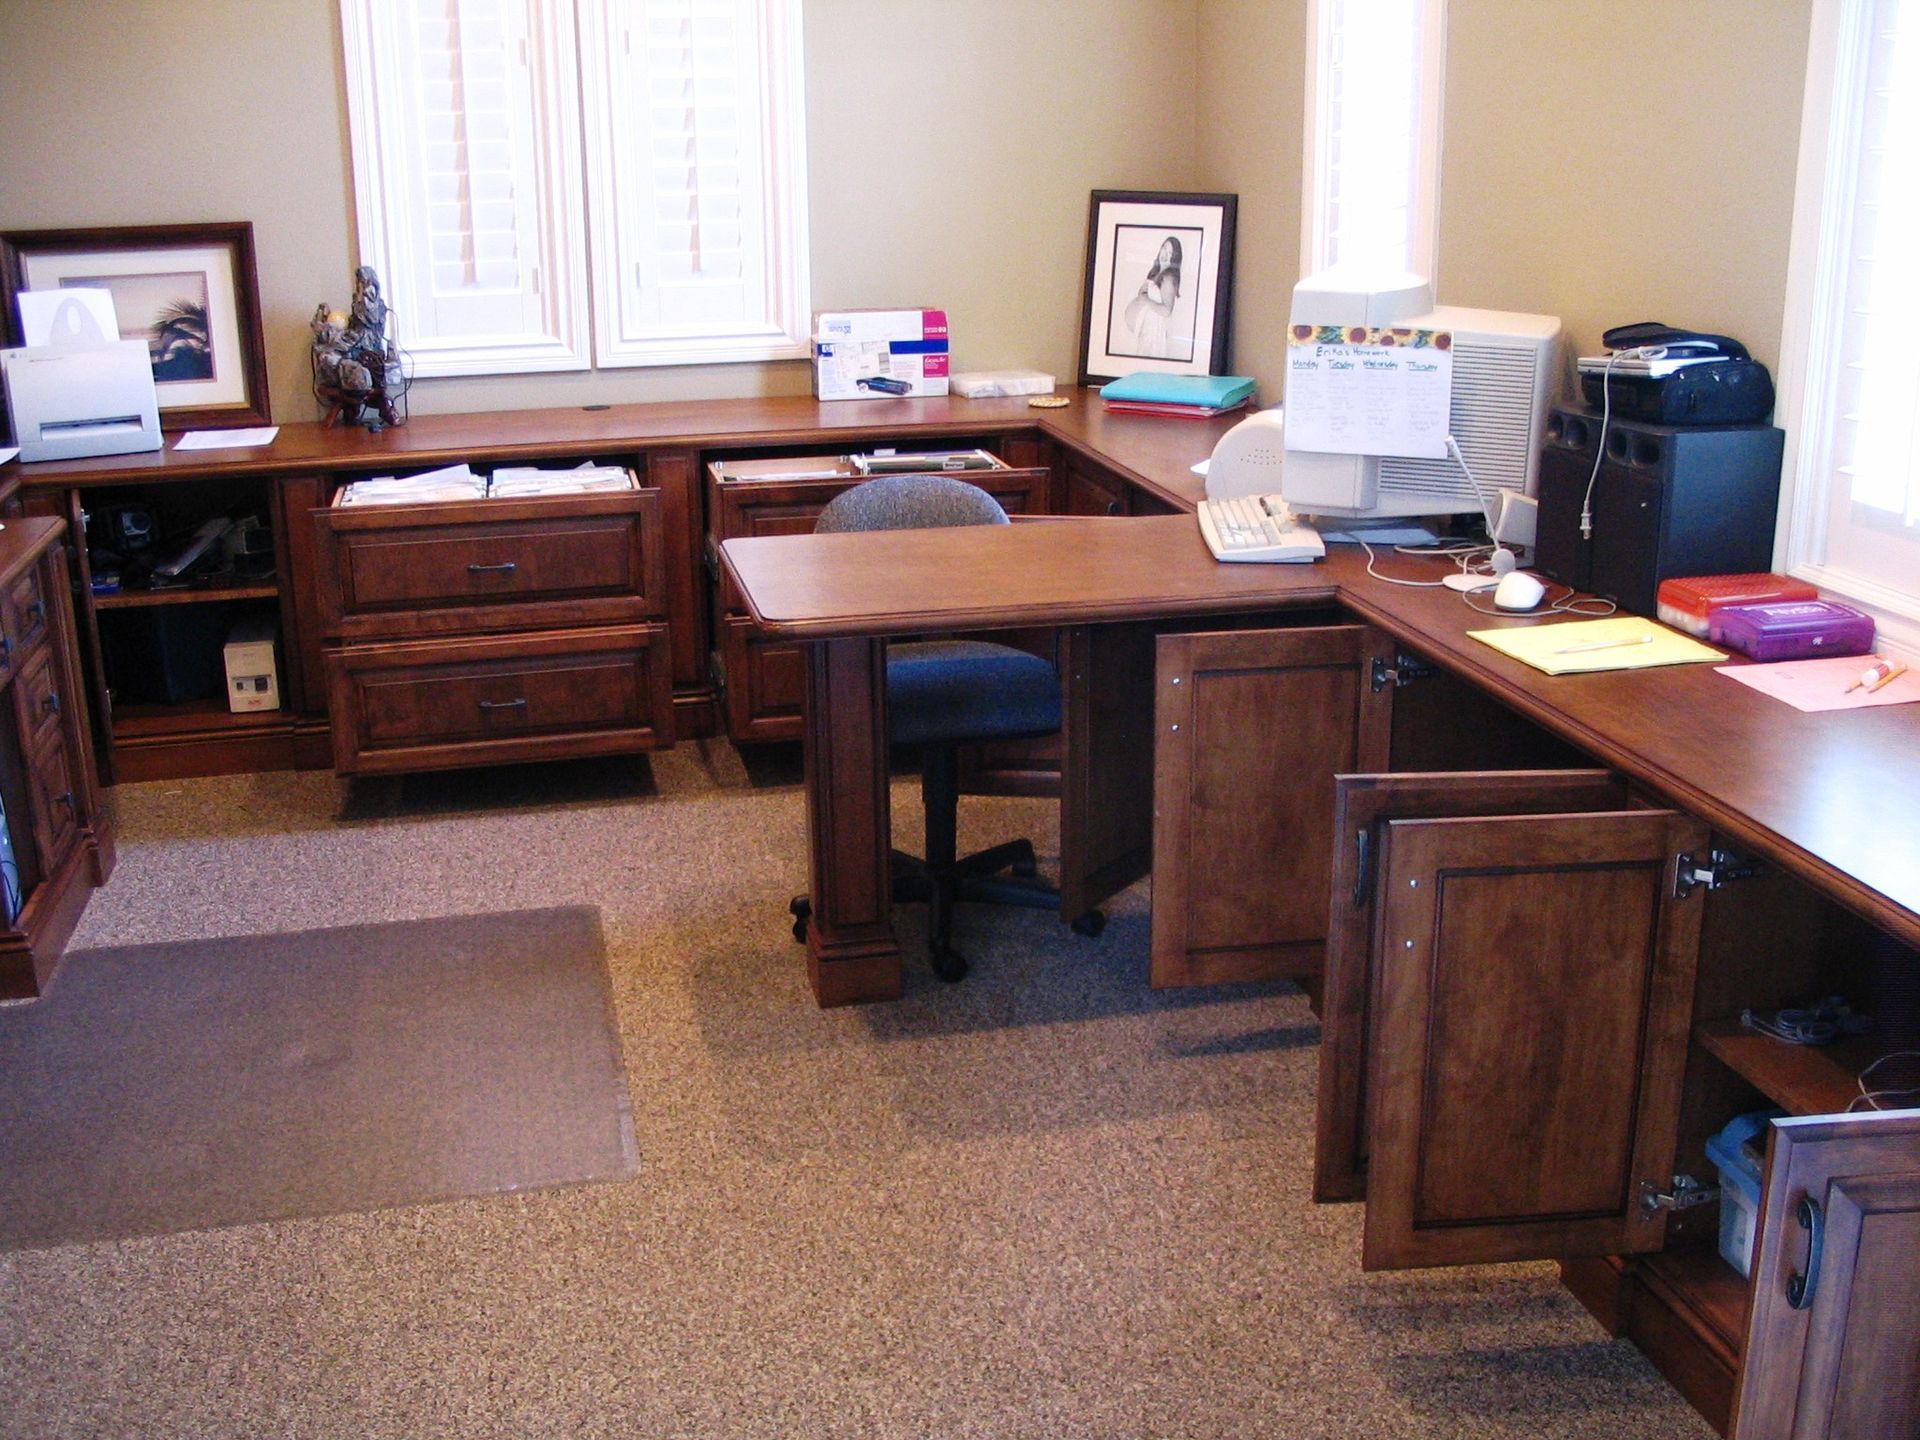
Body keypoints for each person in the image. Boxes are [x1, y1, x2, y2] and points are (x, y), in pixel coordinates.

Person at [1122, 236, 1182, 357]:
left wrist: (1145, 300)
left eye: (1170, 252)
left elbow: (1166, 311)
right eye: (1164, 248)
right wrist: (1142, 296)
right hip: (1146, 330)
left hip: (1154, 332)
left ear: (1174, 258)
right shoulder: (1156, 272)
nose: (1165, 254)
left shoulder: (1168, 279)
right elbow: (1142, 293)